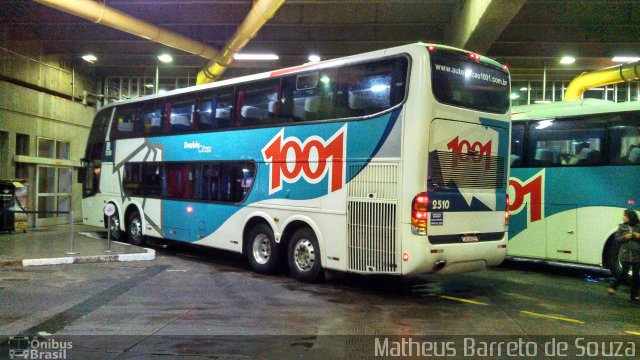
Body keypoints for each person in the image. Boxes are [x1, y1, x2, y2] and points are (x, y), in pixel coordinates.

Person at [607, 209, 640, 302]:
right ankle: (613, 286)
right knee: (624, 274)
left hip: (636, 255)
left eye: (624, 215)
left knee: (636, 276)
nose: (623, 217)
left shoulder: (638, 227)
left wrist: (638, 236)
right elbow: (617, 238)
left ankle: (634, 296)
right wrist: (625, 237)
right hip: (625, 255)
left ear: (630, 216)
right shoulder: (622, 227)